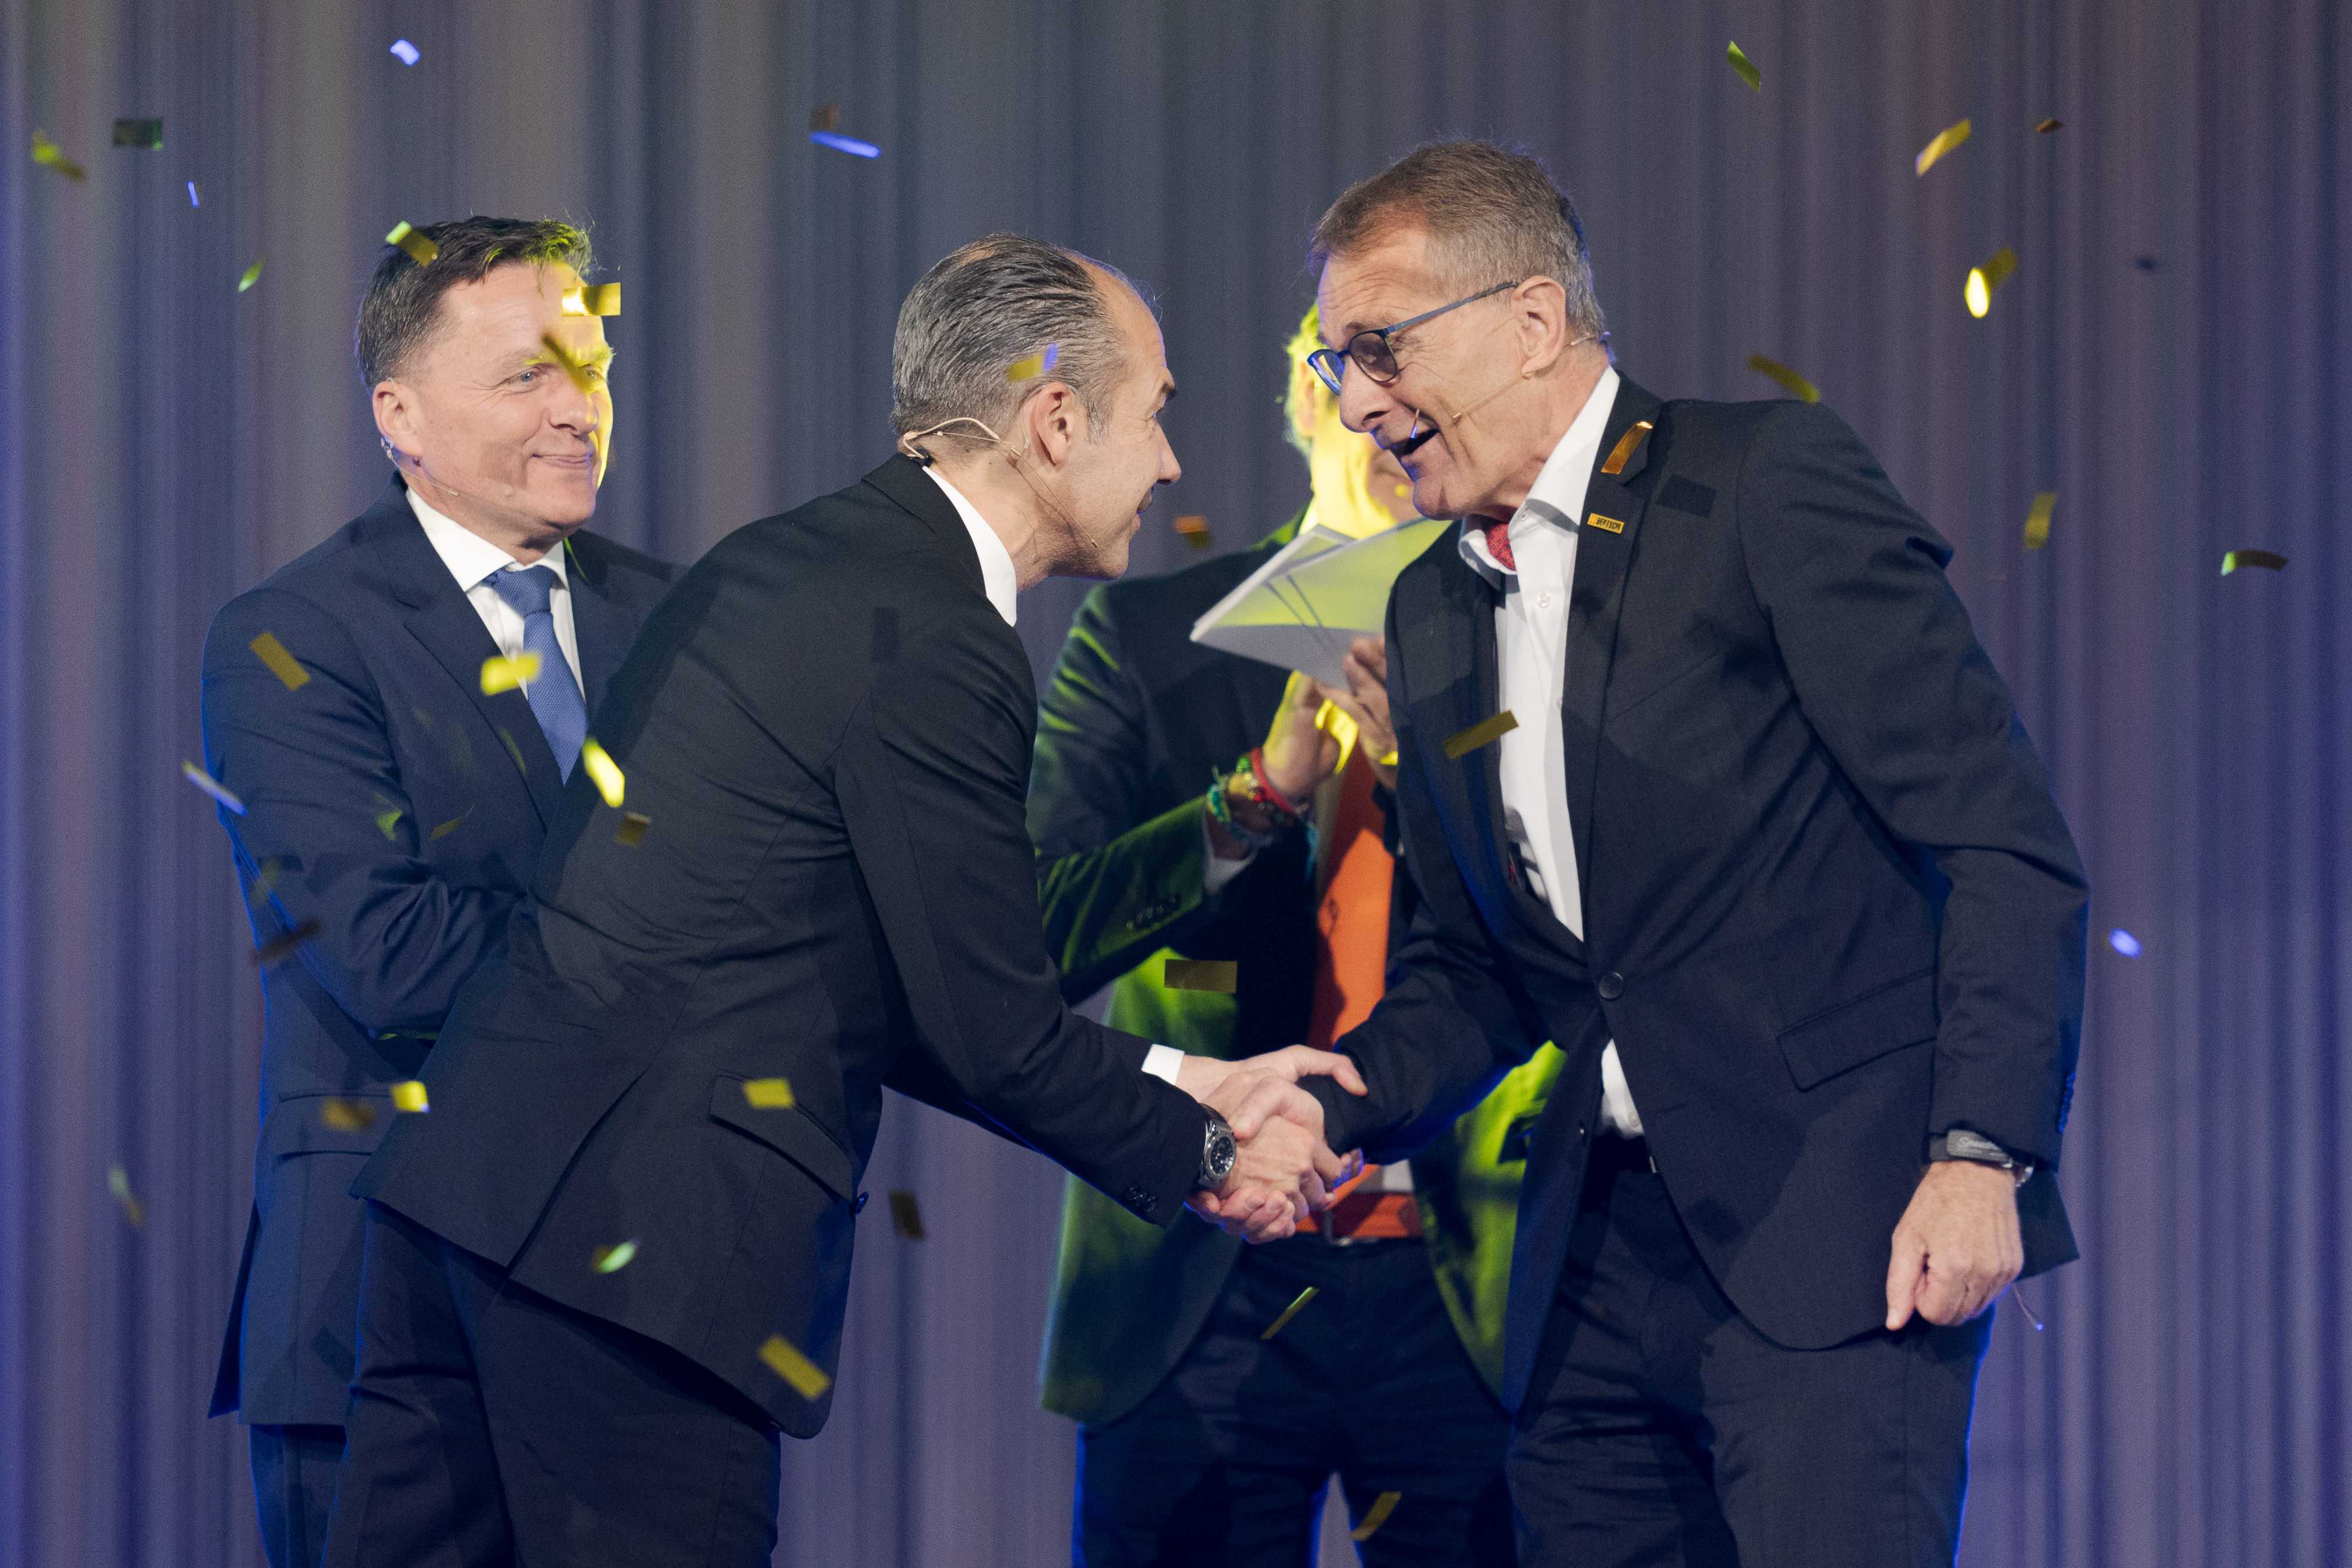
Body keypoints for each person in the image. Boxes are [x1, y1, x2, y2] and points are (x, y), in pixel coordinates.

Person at [320, 234, 1364, 1568]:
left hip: (468, 1211)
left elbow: (898, 971)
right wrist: (1214, 1154)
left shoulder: (796, 562)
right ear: (1055, 422)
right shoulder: (938, 635)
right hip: (639, 1260)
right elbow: (994, 1025)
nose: (1168, 463)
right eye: (1156, 412)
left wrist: (1184, 1077)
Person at [1205, 141, 2090, 1567]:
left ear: (1533, 322)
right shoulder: (1428, 605)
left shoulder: (1761, 484)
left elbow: (1998, 839)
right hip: (1593, 1272)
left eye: (1379, 350)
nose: (1357, 403)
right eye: (1333, 367)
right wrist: (1334, 1106)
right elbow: (1480, 970)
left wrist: (1983, 1153)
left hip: (1842, 1238)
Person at [1031, 305, 1555, 1566]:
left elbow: (1576, 934)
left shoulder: (1537, 635)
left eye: (1416, 384)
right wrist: (1253, 798)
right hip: (1205, 1261)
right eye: (1349, 384)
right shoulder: (1157, 636)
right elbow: (1035, 938)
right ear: (1307, 405)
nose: (1385, 419)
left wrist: (1436, 779)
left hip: (1462, 1265)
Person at [197, 216, 673, 1568]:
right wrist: (700, 959)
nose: (578, 408)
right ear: (397, 412)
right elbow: (389, 955)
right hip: (379, 1317)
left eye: (590, 367)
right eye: (527, 374)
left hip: (642, 1319)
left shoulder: (685, 617)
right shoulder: (293, 634)